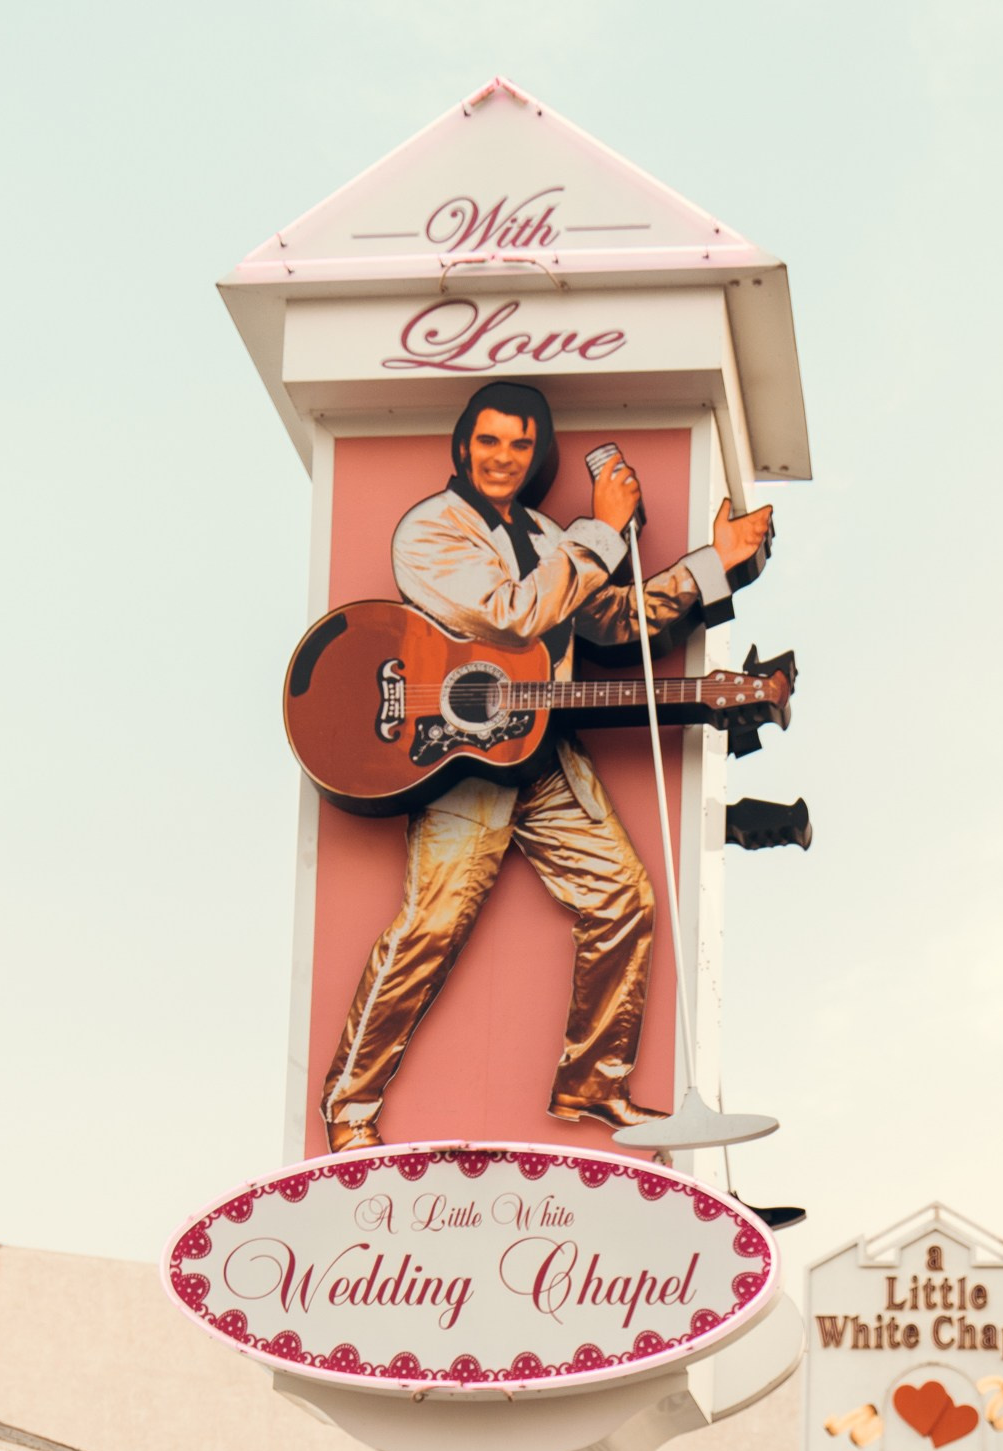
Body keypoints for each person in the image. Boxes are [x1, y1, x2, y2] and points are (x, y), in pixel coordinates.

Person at [316, 379, 773, 1149]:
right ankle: (350, 1108)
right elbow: (511, 616)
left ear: (539, 453)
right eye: (489, 440)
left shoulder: (543, 533)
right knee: (429, 930)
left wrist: (713, 565)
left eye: (520, 444)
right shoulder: (431, 530)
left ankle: (592, 1083)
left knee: (624, 899)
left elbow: (613, 621)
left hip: (542, 752)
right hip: (458, 760)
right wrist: (598, 528)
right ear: (464, 444)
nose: (503, 457)